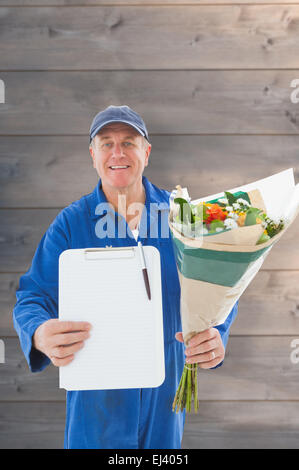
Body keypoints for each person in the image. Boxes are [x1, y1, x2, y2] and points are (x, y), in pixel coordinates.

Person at [13, 105, 238, 449]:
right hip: (95, 405)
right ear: (93, 155)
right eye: (106, 143)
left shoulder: (181, 217)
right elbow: (32, 297)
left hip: (164, 399)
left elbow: (220, 285)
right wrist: (39, 333)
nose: (117, 152)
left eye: (129, 142)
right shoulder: (72, 224)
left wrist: (217, 334)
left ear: (146, 152)